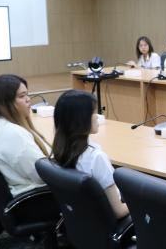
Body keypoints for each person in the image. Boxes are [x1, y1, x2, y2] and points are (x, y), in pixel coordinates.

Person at [51, 90, 128, 219]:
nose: (97, 116)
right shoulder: (96, 158)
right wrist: (141, 204)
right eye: (93, 112)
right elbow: (118, 211)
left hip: (83, 220)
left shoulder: (60, 149)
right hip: (110, 221)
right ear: (81, 119)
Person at [0, 74, 51, 196]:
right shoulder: (14, 134)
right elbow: (43, 175)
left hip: (25, 191)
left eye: (27, 94)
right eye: (22, 96)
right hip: (39, 197)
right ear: (5, 103)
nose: (28, 99)